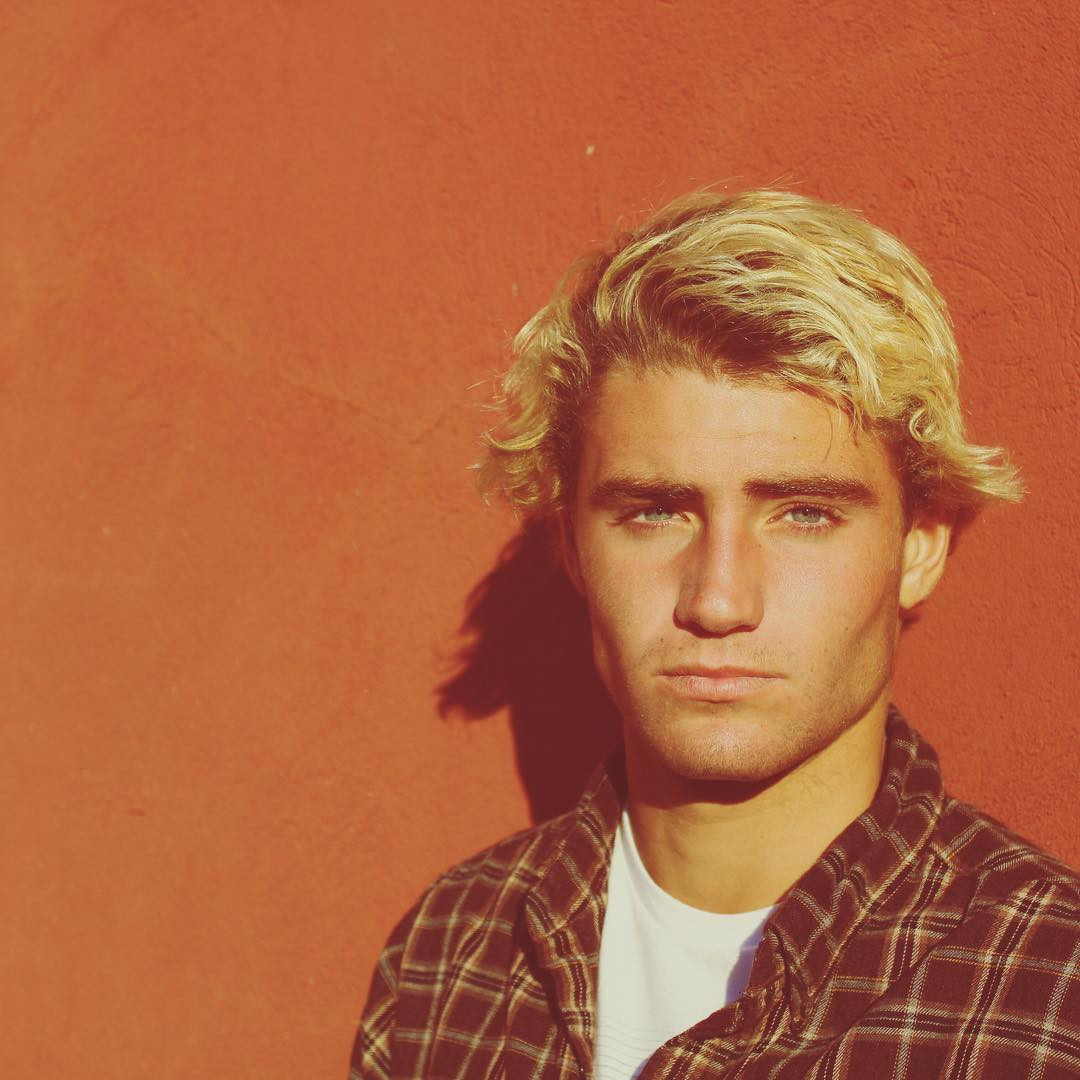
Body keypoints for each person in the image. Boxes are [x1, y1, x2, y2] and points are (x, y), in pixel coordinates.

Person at [350, 190, 1080, 1078]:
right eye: (655, 512)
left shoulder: (1051, 996)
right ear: (571, 547)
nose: (719, 600)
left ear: (919, 547)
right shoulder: (448, 956)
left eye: (804, 514)